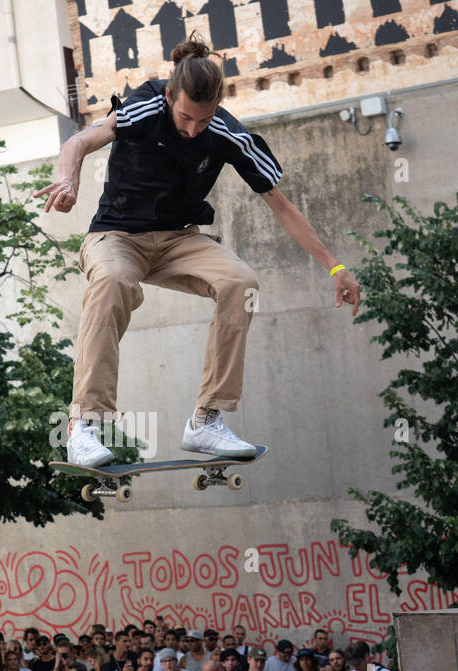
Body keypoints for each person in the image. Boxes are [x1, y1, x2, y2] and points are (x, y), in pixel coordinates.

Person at [39, 34, 360, 469]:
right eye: (186, 117)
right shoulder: (142, 108)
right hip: (117, 236)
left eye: (203, 121)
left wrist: (335, 266)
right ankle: (85, 426)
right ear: (170, 96)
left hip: (178, 240)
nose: (193, 129)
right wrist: (68, 180)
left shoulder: (228, 135)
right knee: (112, 281)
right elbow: (77, 142)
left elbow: (281, 205)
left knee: (241, 282)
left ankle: (206, 421)